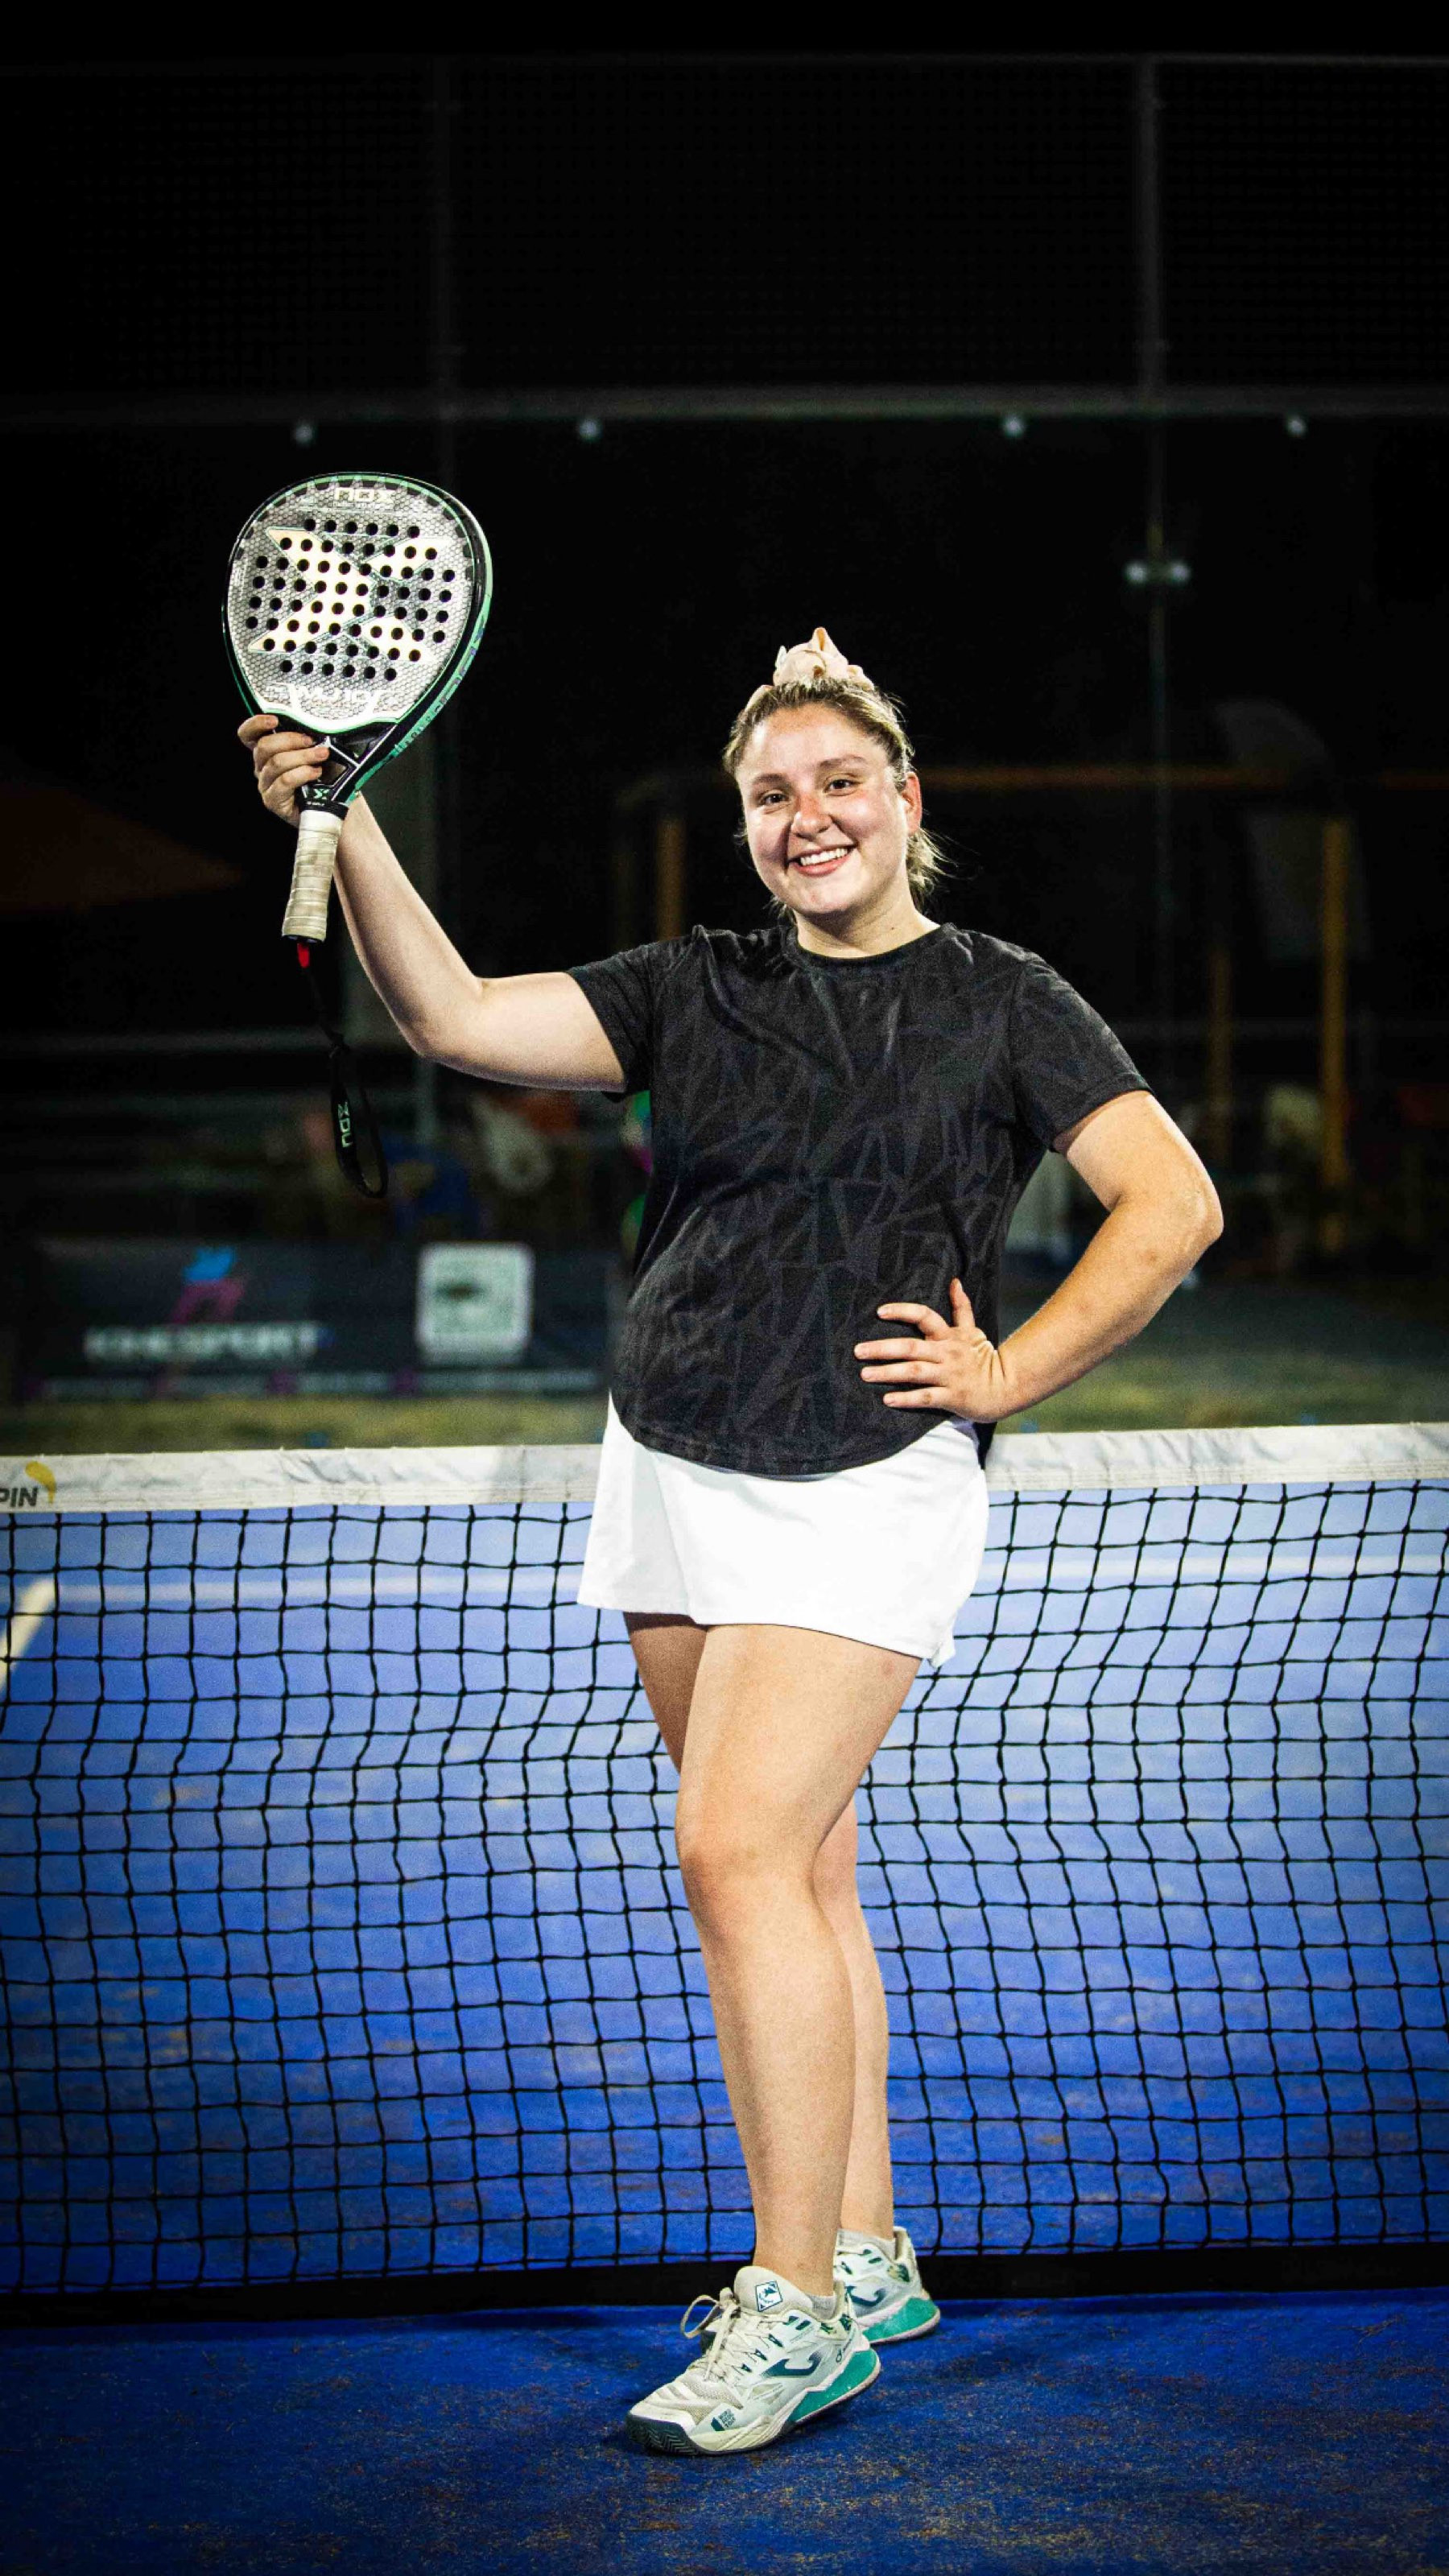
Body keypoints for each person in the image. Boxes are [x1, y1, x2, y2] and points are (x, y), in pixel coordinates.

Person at [239, 627, 1220, 2457]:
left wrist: (1010, 1368)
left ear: (906, 800)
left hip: (870, 1473)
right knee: (805, 1868)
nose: (806, 814)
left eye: (841, 781)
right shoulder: (694, 984)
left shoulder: (1006, 996)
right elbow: (452, 1017)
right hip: (672, 1456)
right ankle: (862, 2250)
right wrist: (348, 818)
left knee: (732, 1848)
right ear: (746, 822)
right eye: (773, 792)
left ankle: (790, 2312)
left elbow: (1171, 1205)